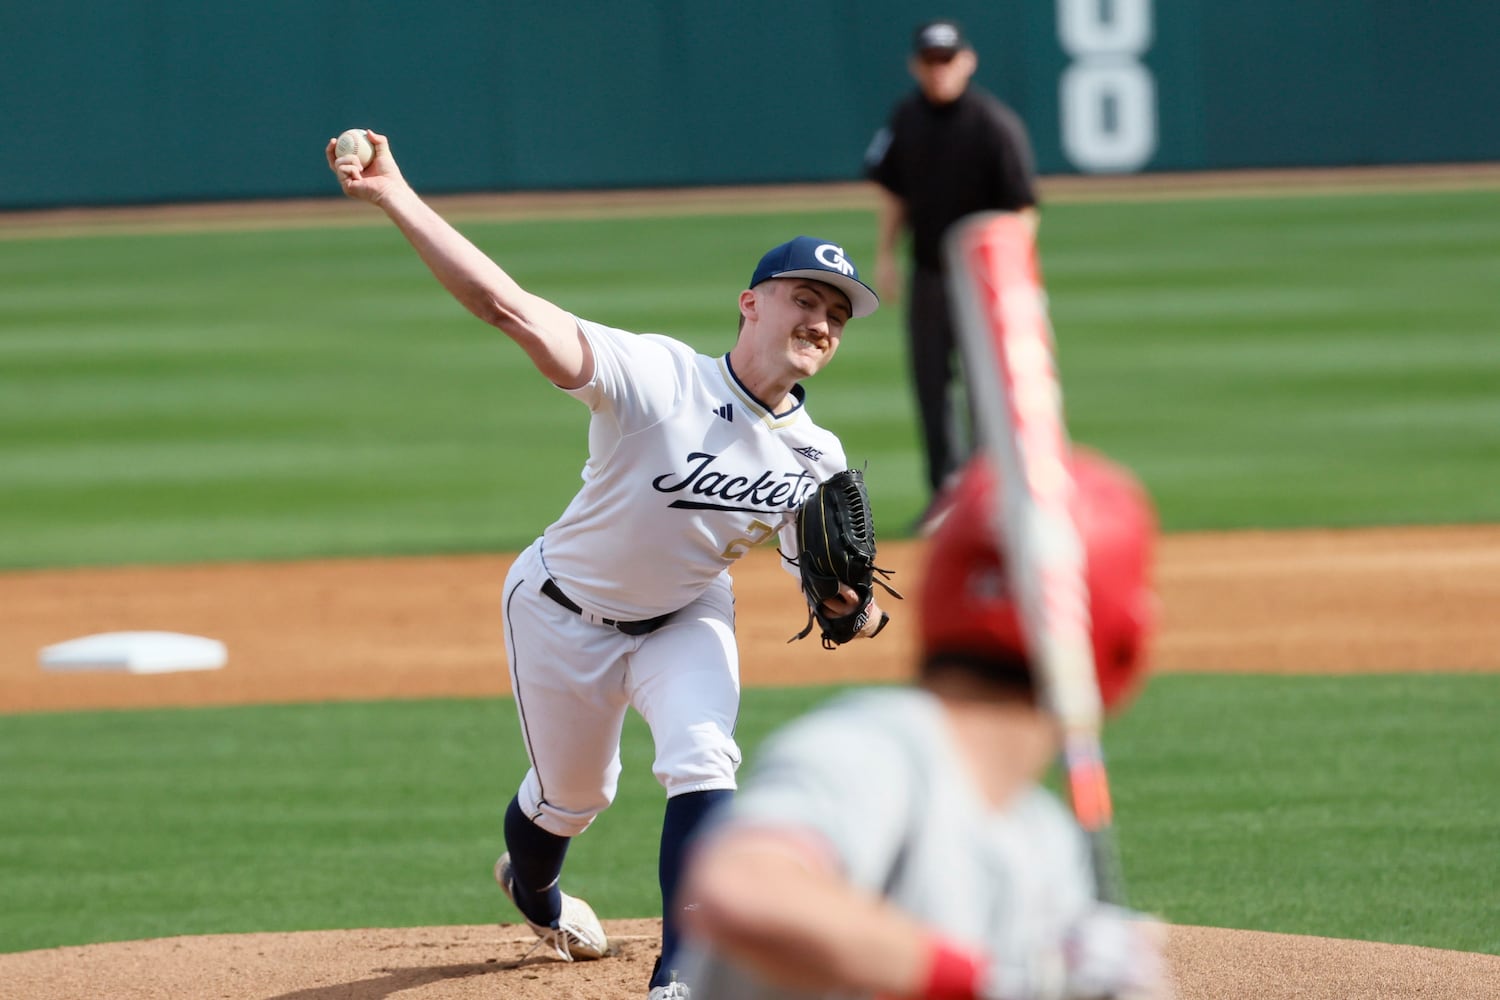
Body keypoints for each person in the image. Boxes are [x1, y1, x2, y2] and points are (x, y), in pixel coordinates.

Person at [327, 130, 894, 1000]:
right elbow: (510, 308)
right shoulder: (655, 375)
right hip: (558, 608)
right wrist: (395, 196)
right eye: (805, 297)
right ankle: (535, 889)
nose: (822, 319)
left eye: (839, 312)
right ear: (750, 303)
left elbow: (818, 579)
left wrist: (853, 610)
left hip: (686, 615)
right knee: (570, 800)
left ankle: (681, 978)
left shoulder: (816, 456)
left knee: (706, 758)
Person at [671, 447, 1172, 1000]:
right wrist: (994, 980)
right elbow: (744, 890)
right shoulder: (874, 750)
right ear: (1124, 648)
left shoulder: (1043, 843)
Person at [864, 19, 1040, 524]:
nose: (938, 70)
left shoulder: (992, 124)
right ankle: (947, 497)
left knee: (988, 385)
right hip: (930, 271)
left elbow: (1022, 208)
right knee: (930, 383)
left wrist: (1011, 277)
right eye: (930, 61)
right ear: (916, 65)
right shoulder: (906, 117)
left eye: (947, 60)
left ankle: (989, 493)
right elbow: (893, 191)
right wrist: (885, 255)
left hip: (983, 282)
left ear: (967, 61)